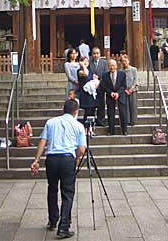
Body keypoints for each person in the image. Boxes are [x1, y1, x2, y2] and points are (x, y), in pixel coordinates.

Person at [31, 100, 86, 239]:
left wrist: (36, 160)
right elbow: (81, 149)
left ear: (63, 109)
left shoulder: (50, 122)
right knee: (67, 193)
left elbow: (43, 141)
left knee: (52, 188)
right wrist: (77, 159)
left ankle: (53, 219)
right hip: (68, 159)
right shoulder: (78, 126)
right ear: (76, 112)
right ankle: (64, 227)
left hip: (52, 159)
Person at [101, 59, 128, 135]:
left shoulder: (122, 74)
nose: (112, 67)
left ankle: (124, 130)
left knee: (123, 113)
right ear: (108, 67)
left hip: (120, 95)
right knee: (110, 113)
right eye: (110, 66)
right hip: (110, 96)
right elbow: (104, 87)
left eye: (113, 65)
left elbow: (124, 86)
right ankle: (111, 131)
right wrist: (111, 93)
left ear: (116, 66)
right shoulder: (105, 75)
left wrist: (118, 93)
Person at [89, 46, 107, 126]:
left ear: (100, 54)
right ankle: (91, 122)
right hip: (92, 87)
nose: (96, 55)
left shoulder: (104, 63)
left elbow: (106, 74)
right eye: (94, 53)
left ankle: (101, 120)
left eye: (97, 53)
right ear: (92, 54)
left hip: (101, 86)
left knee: (101, 104)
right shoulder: (89, 62)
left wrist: (99, 79)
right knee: (92, 105)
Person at [77, 56, 99, 124]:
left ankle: (91, 129)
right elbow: (86, 74)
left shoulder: (91, 71)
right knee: (87, 111)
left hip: (92, 93)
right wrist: (83, 65)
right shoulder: (80, 71)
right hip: (85, 94)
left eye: (87, 61)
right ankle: (85, 128)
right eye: (84, 61)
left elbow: (95, 80)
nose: (86, 62)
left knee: (92, 111)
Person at [120, 55, 138, 126]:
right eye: (123, 61)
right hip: (124, 91)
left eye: (126, 61)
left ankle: (133, 121)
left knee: (133, 106)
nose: (124, 62)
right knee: (125, 106)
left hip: (133, 90)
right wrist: (125, 90)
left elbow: (135, 80)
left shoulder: (134, 69)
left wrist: (131, 89)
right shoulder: (120, 71)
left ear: (128, 61)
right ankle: (127, 120)